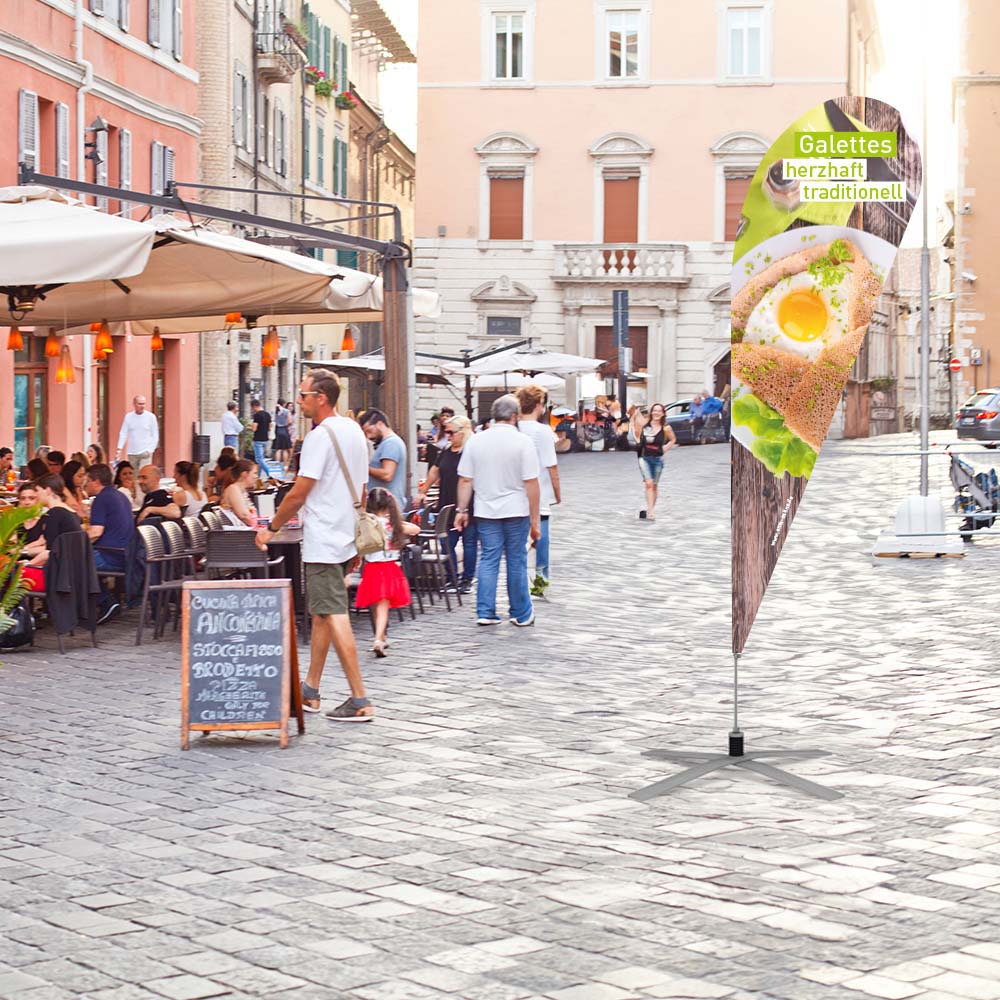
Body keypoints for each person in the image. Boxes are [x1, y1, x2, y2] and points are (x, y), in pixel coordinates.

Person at [255, 368, 373, 722]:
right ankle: (311, 689)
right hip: (344, 533)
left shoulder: (321, 437)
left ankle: (359, 698)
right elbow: (362, 489)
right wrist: (355, 539)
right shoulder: (353, 430)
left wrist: (271, 528)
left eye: (303, 395)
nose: (299, 401)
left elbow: (301, 490)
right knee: (323, 612)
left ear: (320, 398)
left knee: (334, 613)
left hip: (324, 536)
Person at [455, 394, 540, 628]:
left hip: (486, 509)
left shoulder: (476, 441)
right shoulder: (523, 442)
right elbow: (531, 483)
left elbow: (465, 480)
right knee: (516, 560)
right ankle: (521, 613)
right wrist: (535, 519)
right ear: (514, 416)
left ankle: (485, 610)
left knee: (489, 559)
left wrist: (461, 509)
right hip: (516, 509)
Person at [414, 415, 477, 594]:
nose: (447, 435)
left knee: (469, 542)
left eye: (451, 432)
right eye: (446, 432)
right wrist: (423, 491)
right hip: (447, 504)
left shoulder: (471, 451)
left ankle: (467, 580)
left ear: (463, 432)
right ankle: (452, 578)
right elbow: (435, 471)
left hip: (469, 504)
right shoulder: (447, 450)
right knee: (446, 542)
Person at [355, 487, 420, 657]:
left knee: (376, 606)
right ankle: (378, 639)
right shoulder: (391, 524)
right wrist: (398, 521)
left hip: (371, 569)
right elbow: (415, 529)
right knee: (384, 607)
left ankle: (381, 636)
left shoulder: (366, 523)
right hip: (389, 568)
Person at [515, 384, 561, 598]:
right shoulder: (543, 431)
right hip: (539, 494)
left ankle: (519, 581)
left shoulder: (513, 427)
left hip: (514, 494)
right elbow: (551, 466)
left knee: (517, 544)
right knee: (541, 541)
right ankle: (540, 583)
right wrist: (557, 493)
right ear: (539, 404)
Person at [85, 463, 135, 623]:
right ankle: (106, 600)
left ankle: (105, 601)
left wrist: (72, 542)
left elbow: (95, 532)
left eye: (88, 480)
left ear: (96, 481)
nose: (86, 484)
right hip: (127, 553)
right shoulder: (120, 496)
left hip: (111, 555)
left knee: (74, 560)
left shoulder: (101, 498)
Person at [19, 475, 82, 593]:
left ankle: (18, 610)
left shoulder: (54, 514)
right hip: (72, 573)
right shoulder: (70, 512)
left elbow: (50, 552)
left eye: (38, 491)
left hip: (57, 576)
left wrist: (28, 563)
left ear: (47, 490)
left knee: (9, 573)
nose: (37, 496)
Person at [629, 403, 677, 521]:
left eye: (659, 411)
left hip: (658, 459)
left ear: (663, 413)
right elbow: (636, 428)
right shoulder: (645, 424)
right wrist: (634, 412)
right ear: (651, 412)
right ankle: (650, 512)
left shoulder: (666, 428)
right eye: (654, 411)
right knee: (649, 483)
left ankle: (650, 509)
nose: (656, 413)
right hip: (644, 457)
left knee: (654, 485)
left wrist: (665, 448)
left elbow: (673, 439)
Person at [359, 409, 407, 511]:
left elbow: (387, 474)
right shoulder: (388, 443)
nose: (368, 436)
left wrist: (363, 467)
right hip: (384, 506)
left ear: (380, 424)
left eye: (369, 431)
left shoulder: (391, 444)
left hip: (386, 508)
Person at [117, 395, 159, 470]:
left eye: (143, 404)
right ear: (134, 404)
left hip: (145, 452)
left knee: (143, 474)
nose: (142, 406)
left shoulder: (151, 417)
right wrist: (119, 448)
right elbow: (123, 433)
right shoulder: (129, 417)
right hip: (132, 452)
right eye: (140, 404)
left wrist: (150, 450)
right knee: (134, 477)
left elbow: (155, 434)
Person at [221, 459, 258, 527]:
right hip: (238, 534)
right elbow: (244, 515)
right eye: (254, 473)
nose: (256, 477)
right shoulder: (233, 489)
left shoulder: (241, 491)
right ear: (245, 474)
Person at [250, 399, 271, 469]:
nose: (253, 410)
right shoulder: (268, 414)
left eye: (252, 408)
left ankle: (270, 473)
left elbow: (254, 429)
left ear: (254, 406)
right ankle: (258, 476)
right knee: (261, 460)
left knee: (259, 459)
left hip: (258, 439)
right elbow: (270, 427)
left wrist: (248, 427)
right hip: (266, 438)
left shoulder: (257, 415)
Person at [274, 400, 293, 466]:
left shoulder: (275, 411)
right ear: (284, 404)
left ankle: (277, 464)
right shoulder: (286, 411)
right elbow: (290, 421)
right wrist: (286, 424)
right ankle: (285, 465)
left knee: (278, 449)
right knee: (285, 449)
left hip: (277, 429)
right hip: (284, 429)